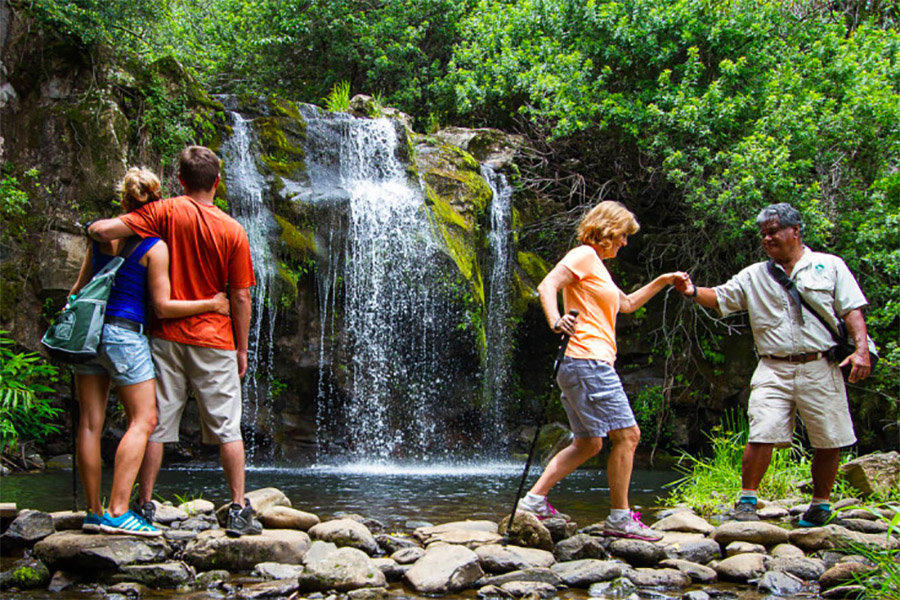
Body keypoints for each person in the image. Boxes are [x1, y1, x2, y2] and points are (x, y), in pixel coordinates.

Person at [88, 146, 261, 536]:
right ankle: (237, 507)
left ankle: (145, 503)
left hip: (164, 337)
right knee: (228, 429)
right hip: (215, 340)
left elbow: (106, 230)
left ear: (179, 180)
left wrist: (94, 234)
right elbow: (241, 296)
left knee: (156, 426)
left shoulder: (163, 211)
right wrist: (242, 347)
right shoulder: (233, 230)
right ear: (217, 182)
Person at [679, 202, 871, 526]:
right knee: (762, 430)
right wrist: (692, 290)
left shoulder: (829, 266)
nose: (767, 239)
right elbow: (722, 297)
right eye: (763, 234)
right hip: (773, 367)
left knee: (829, 436)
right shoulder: (754, 275)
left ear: (795, 231)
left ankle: (820, 505)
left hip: (820, 364)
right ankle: (747, 500)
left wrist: (862, 351)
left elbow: (852, 311)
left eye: (773, 232)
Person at [519, 200, 688, 542]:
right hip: (587, 361)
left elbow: (625, 305)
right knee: (628, 436)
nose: (625, 243)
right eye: (624, 236)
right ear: (609, 230)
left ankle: (533, 501)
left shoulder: (597, 265)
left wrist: (662, 281)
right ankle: (620, 518)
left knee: (589, 443)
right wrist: (555, 320)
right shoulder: (583, 255)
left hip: (583, 364)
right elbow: (547, 285)